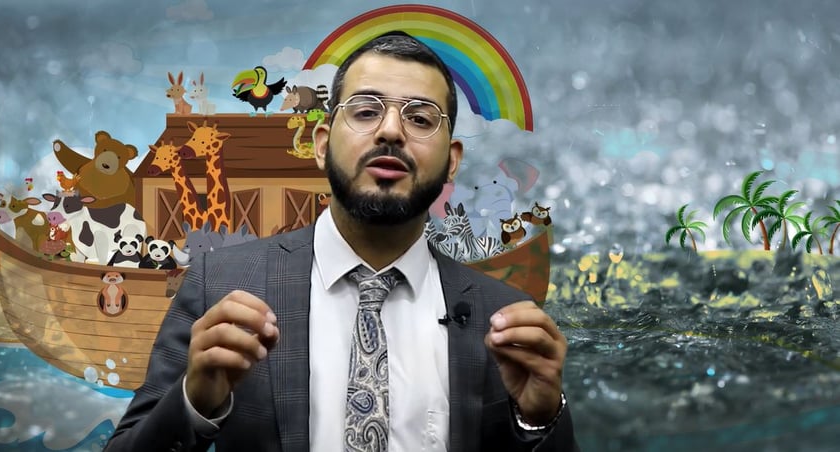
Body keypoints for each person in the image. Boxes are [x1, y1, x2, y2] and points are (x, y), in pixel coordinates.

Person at [105, 31, 578, 452]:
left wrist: (539, 420)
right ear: (321, 143)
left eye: (419, 118)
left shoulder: (504, 319)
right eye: (367, 111)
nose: (391, 131)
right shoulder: (220, 286)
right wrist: (193, 403)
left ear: (452, 161)